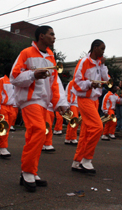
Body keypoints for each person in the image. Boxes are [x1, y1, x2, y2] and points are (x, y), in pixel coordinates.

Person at [10, 25, 68, 192]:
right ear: (41, 36)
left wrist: (60, 103)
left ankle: (29, 171)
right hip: (29, 100)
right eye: (52, 34)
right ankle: (28, 171)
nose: (54, 37)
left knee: (37, 135)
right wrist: (33, 75)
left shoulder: (51, 57)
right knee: (38, 130)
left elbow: (55, 83)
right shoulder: (26, 53)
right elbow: (14, 76)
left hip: (44, 102)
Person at [71, 39, 109, 174]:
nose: (103, 52)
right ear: (95, 47)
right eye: (102, 49)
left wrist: (103, 66)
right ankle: (86, 160)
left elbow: (106, 79)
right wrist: (89, 84)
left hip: (95, 100)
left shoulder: (100, 64)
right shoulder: (83, 62)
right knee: (98, 127)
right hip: (85, 98)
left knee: (86, 133)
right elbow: (76, 82)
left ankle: (77, 161)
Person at [0, 71, 19, 158]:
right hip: (3, 107)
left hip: (12, 107)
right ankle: (3, 148)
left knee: (7, 128)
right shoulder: (2, 80)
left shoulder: (16, 81)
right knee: (4, 128)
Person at [64, 79, 79, 145]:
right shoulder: (71, 83)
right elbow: (67, 94)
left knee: (72, 122)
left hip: (78, 105)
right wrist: (68, 105)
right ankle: (73, 138)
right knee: (75, 121)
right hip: (72, 104)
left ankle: (68, 138)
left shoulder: (80, 83)